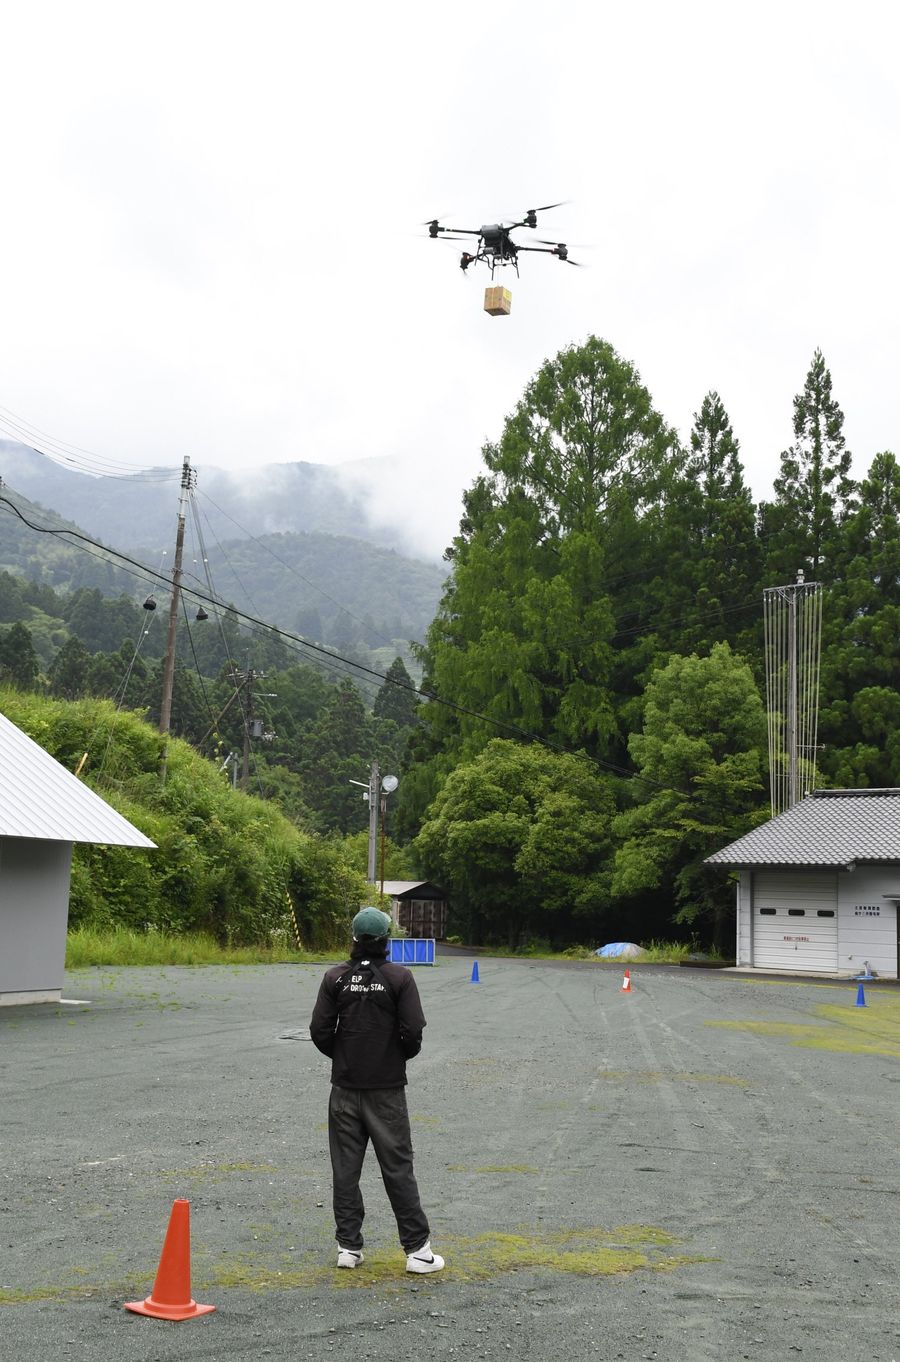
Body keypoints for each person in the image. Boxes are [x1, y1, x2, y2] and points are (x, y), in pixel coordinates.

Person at [309, 906, 444, 1274]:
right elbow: (413, 1030)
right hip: (385, 1090)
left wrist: (345, 1056)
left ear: (353, 939)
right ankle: (417, 1252)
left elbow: (320, 1030)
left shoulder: (334, 977)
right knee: (398, 1167)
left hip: (345, 1089)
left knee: (345, 1169)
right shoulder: (399, 977)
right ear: (387, 939)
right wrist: (393, 1057)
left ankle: (348, 1248)